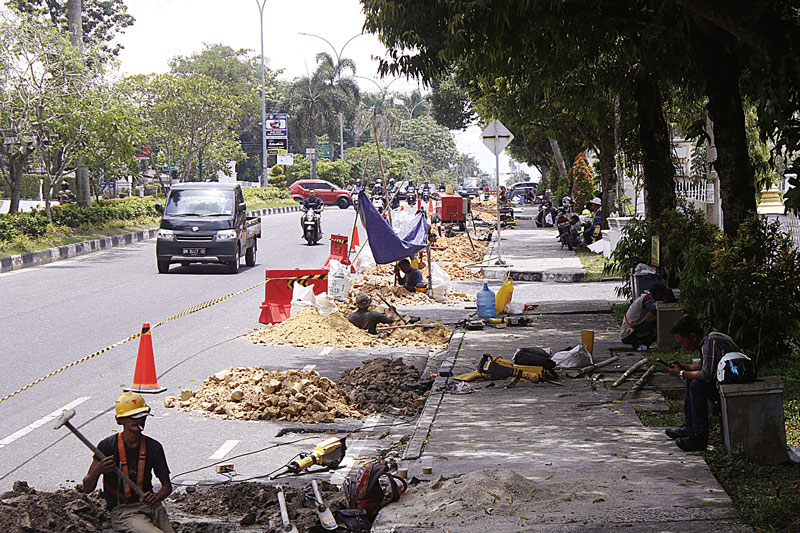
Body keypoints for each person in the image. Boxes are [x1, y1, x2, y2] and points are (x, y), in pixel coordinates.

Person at [80, 392, 173, 532]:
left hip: (151, 507)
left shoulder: (154, 447)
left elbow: (167, 487)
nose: (138, 421)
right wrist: (99, 469)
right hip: (123, 510)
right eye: (132, 417)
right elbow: (87, 487)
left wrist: (155, 497)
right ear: (120, 421)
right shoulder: (107, 447)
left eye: (141, 416)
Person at [665, 316, 741, 452]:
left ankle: (699, 438)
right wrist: (683, 366)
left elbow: (706, 375)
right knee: (691, 380)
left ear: (693, 336)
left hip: (734, 383)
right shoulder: (708, 340)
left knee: (696, 385)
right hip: (724, 380)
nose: (683, 346)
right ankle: (690, 429)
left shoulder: (711, 341)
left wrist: (680, 373)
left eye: (683, 342)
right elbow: (704, 366)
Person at [619, 282, 675, 350]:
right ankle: (642, 344)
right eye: (662, 295)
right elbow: (656, 313)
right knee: (659, 323)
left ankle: (642, 344)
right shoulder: (647, 299)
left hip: (630, 331)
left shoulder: (646, 298)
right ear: (657, 293)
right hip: (628, 334)